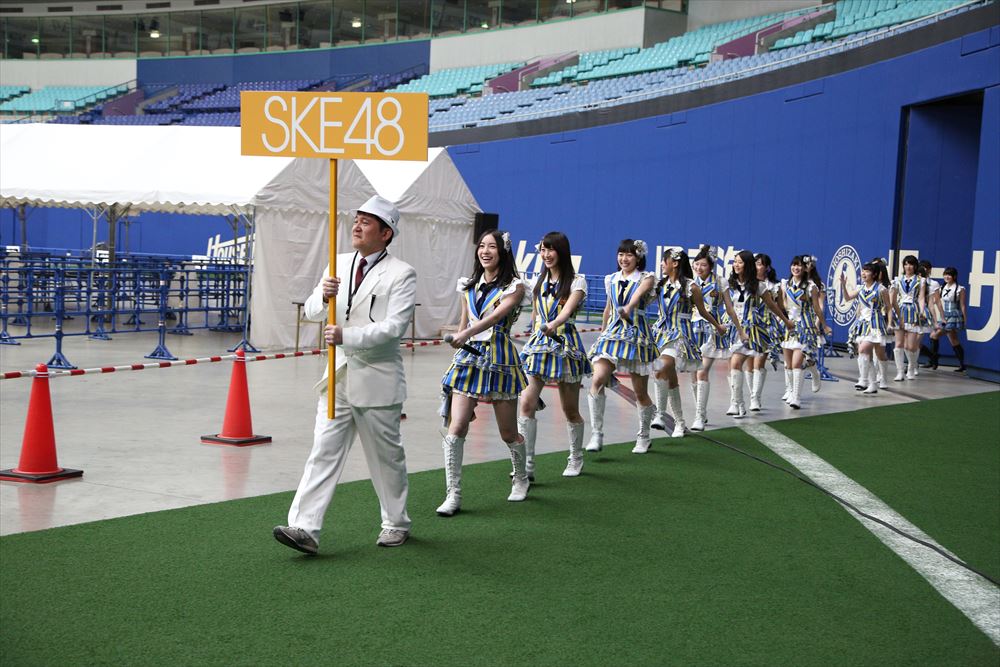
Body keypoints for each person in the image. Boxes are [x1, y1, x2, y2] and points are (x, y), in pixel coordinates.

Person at [273, 195, 416, 555]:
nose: (356, 226)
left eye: (366, 222)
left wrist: (346, 336)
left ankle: (395, 522)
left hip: (377, 378)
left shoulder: (402, 273)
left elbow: (395, 327)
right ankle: (304, 528)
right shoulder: (337, 263)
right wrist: (323, 297)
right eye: (356, 220)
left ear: (386, 233)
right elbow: (311, 312)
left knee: (386, 459)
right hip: (337, 377)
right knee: (323, 450)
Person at [437, 229, 529, 516]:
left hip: (500, 358)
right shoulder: (468, 285)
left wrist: (465, 333)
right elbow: (464, 321)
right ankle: (453, 494)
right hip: (469, 360)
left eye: (492, 246)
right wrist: (458, 339)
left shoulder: (515, 287)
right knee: (456, 426)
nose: (485, 251)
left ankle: (521, 477)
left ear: (503, 252)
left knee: (508, 432)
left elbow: (497, 316)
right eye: (481, 246)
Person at [519, 232, 592, 477]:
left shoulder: (577, 282)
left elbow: (567, 311)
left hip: (565, 345)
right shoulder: (537, 281)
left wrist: (552, 325)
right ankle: (526, 464)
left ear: (561, 251)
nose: (546, 255)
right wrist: (535, 331)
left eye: (550, 249)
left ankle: (576, 457)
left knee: (569, 409)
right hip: (538, 345)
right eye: (542, 250)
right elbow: (534, 314)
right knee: (527, 402)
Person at [587, 239, 657, 454]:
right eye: (621, 254)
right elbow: (608, 308)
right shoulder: (611, 279)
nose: (624, 259)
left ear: (638, 258)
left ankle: (644, 435)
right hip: (612, 334)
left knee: (640, 392)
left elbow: (639, 294)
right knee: (598, 378)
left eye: (629, 255)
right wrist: (602, 333)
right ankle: (596, 433)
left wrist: (628, 308)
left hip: (637, 335)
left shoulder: (647, 278)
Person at [650, 248, 726, 437]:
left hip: (680, 335)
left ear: (675, 263)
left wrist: (718, 326)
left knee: (661, 367)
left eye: (664, 260)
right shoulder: (660, 284)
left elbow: (703, 311)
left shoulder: (691, 287)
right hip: (660, 335)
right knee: (670, 378)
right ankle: (680, 422)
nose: (662, 264)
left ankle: (660, 414)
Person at [722, 250, 792, 418]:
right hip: (735, 328)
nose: (736, 265)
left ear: (748, 265)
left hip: (753, 329)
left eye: (740, 262)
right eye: (735, 261)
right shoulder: (729, 284)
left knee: (742, 363)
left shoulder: (759, 286)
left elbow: (772, 305)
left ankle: (748, 400)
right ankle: (738, 403)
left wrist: (786, 321)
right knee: (734, 364)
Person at [779, 255, 833, 409]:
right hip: (789, 326)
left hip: (805, 327)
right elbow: (783, 304)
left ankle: (796, 397)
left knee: (797, 362)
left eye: (799, 265)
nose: (796, 268)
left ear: (805, 268)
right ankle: (792, 389)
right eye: (794, 265)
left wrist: (824, 325)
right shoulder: (785, 284)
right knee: (788, 364)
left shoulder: (811, 287)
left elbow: (817, 308)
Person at [685, 245, 730, 431]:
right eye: (696, 264)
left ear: (711, 266)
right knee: (693, 373)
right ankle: (701, 413)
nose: (699, 268)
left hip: (712, 330)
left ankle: (698, 416)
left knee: (702, 371)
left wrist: (734, 327)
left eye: (703, 265)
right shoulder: (689, 283)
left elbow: (729, 307)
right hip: (692, 331)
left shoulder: (720, 282)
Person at [840, 262, 891, 394]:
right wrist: (843, 285)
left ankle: (876, 378)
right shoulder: (860, 288)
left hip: (876, 324)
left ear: (874, 274)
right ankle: (871, 384)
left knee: (878, 354)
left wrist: (890, 323)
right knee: (865, 352)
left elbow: (888, 307)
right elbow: (847, 298)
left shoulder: (881, 289)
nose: (863, 273)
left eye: (867, 271)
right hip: (862, 324)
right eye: (863, 270)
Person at [889, 255, 926, 381]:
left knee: (910, 346)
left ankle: (911, 366)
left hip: (913, 311)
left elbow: (921, 298)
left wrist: (921, 311)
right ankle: (900, 372)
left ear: (915, 266)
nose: (908, 267)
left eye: (910, 264)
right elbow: (893, 299)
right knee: (898, 343)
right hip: (900, 311)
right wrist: (891, 313)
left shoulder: (921, 280)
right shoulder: (897, 280)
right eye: (906, 264)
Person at [928, 267, 968, 372]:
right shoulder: (942, 287)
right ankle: (962, 364)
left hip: (954, 315)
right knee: (954, 340)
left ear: (954, 276)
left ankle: (934, 360)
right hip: (945, 315)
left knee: (934, 335)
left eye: (949, 275)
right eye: (945, 274)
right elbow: (936, 300)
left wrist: (965, 319)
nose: (947, 276)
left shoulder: (960, 289)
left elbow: (962, 305)